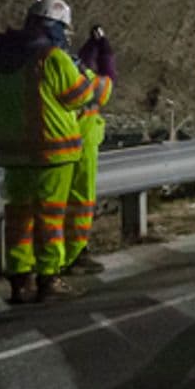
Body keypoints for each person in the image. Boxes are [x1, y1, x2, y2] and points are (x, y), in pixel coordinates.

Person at [0, 0, 111, 305]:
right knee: (50, 219)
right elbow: (79, 96)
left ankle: (18, 281)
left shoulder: (0, 59)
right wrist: (94, 75)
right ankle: (48, 279)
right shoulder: (51, 57)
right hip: (53, 152)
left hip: (14, 154)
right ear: (55, 27)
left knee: (18, 218)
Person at [64, 21, 120, 275]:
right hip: (82, 142)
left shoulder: (56, 68)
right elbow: (107, 83)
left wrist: (91, 46)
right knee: (80, 201)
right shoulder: (84, 79)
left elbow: (83, 61)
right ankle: (75, 253)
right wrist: (106, 52)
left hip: (59, 142)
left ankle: (55, 255)